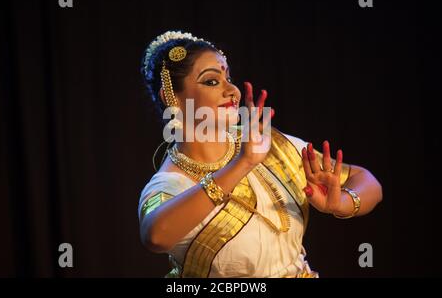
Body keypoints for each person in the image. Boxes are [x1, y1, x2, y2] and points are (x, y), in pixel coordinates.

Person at [137, 30, 382, 278]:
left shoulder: (270, 146)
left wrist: (341, 203)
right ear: (172, 98)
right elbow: (156, 236)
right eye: (212, 81)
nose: (232, 90)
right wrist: (243, 163)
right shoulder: (171, 183)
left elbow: (368, 181)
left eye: (228, 78)